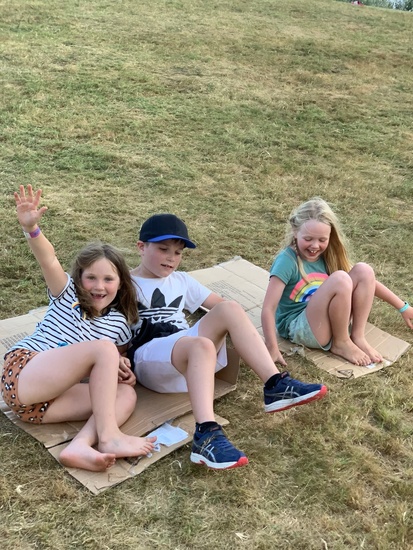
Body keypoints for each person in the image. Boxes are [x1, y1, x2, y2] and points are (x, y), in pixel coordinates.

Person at [128, 213, 327, 471]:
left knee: (230, 308)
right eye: (163, 249)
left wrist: (251, 336)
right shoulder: (124, 283)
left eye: (178, 253)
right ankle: (206, 434)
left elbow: (221, 307)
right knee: (200, 344)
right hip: (150, 359)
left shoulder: (181, 280)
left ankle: (274, 384)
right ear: (141, 247)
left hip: (191, 365)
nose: (171, 258)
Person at [1, 185, 156, 473]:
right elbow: (48, 259)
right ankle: (109, 438)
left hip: (40, 408)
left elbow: (114, 361)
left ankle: (80, 445)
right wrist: (31, 229)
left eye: (108, 279)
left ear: (121, 282)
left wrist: (122, 366)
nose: (99, 286)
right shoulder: (66, 294)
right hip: (24, 374)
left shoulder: (119, 323)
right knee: (104, 349)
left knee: (125, 394)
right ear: (78, 278)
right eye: (91, 278)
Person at [261, 197, 413, 368]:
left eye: (322, 240)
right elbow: (268, 308)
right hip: (299, 327)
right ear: (295, 232)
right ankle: (341, 342)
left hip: (326, 321)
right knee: (341, 278)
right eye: (308, 238)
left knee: (364, 270)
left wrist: (403, 308)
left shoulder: (327, 255)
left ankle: (357, 336)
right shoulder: (287, 260)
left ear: (330, 236)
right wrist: (272, 347)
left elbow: (369, 282)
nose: (315, 246)